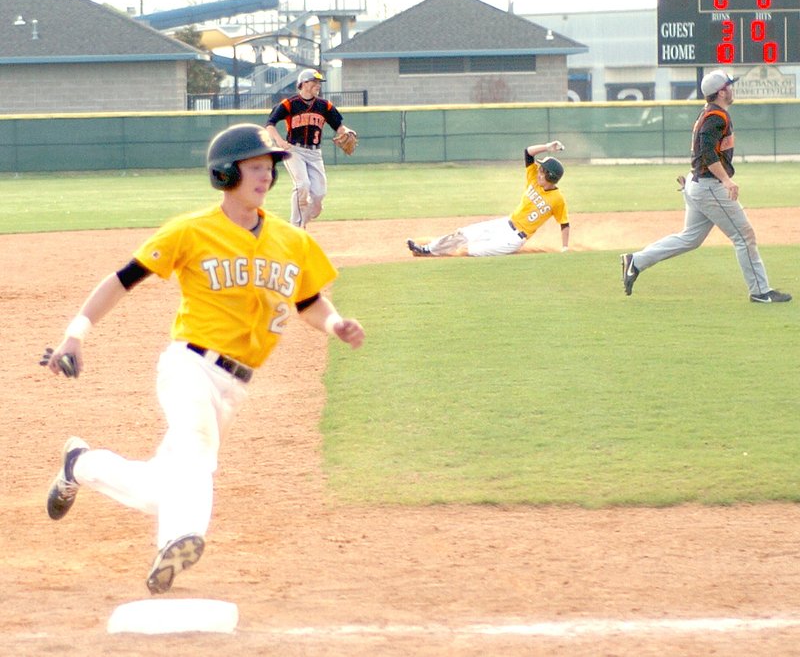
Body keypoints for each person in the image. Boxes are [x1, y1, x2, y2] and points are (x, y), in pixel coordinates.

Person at [42, 123, 366, 595]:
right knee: (196, 451)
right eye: (255, 168)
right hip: (189, 365)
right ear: (224, 174)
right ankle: (178, 539)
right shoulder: (191, 231)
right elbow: (121, 280)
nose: (266, 178)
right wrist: (75, 335)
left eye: (269, 169)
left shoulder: (292, 242)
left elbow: (308, 301)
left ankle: (80, 464)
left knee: (161, 488)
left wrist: (335, 323)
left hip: (235, 385)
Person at [620, 69, 791, 304]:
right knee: (744, 236)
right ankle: (760, 292)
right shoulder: (715, 117)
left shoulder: (710, 113)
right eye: (729, 86)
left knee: (690, 238)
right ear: (721, 92)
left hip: (698, 183)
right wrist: (726, 180)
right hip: (709, 186)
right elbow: (707, 153)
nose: (732, 89)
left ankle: (636, 261)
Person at [406, 140, 569, 257]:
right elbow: (527, 152)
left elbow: (564, 223)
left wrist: (565, 248)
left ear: (550, 176)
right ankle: (426, 249)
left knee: (471, 250)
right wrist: (548, 147)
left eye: (543, 170)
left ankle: (435, 250)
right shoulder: (533, 179)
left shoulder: (557, 199)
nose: (539, 171)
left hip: (514, 239)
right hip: (504, 224)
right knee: (464, 234)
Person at [265, 68, 355, 229]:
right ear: (304, 83)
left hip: (314, 153)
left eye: (319, 83)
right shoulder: (289, 104)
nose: (318, 85)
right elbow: (269, 125)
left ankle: (305, 217)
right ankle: (296, 227)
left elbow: (339, 127)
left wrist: (347, 131)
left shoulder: (324, 106)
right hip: (294, 150)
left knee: (319, 193)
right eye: (314, 82)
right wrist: (279, 141)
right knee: (302, 185)